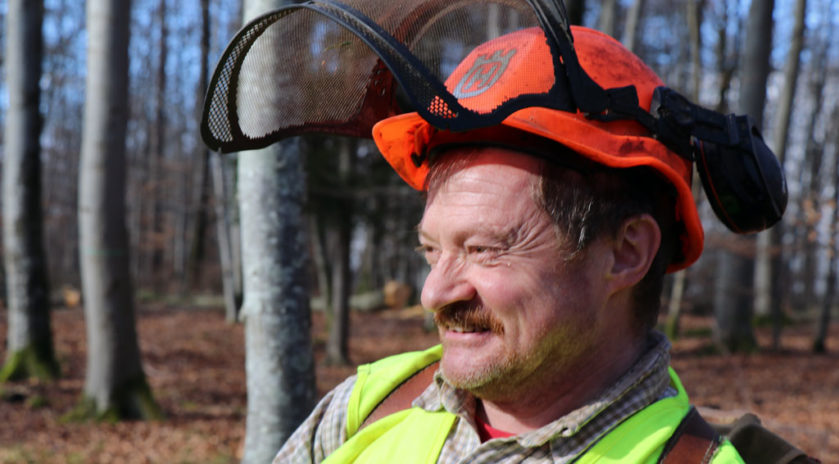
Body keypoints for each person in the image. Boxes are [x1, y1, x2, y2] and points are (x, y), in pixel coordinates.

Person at [273, 25, 747, 464]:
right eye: (432, 251)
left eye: (482, 250)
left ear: (626, 254)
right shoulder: (370, 402)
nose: (433, 294)